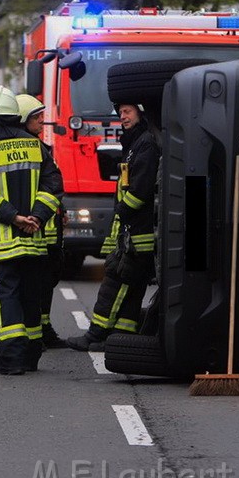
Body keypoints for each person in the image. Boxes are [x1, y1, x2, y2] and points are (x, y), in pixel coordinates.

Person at [0, 86, 64, 375]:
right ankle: (32, 356)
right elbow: (53, 185)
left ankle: (11, 360)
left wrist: (15, 218)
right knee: (31, 295)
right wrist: (36, 216)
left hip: (2, 241)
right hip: (34, 239)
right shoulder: (36, 146)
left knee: (7, 295)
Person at [68, 103, 159, 352]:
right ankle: (121, 337)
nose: (123, 116)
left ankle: (96, 334)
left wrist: (122, 211)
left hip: (136, 232)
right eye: (121, 112)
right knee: (131, 289)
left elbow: (138, 192)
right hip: (133, 230)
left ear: (141, 112)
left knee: (116, 283)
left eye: (128, 111)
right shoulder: (137, 143)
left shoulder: (146, 144)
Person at [16, 93, 66, 349]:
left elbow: (51, 184)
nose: (41, 121)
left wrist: (62, 210)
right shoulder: (29, 150)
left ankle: (43, 328)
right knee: (35, 285)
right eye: (36, 117)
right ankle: (35, 332)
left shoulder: (41, 148)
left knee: (47, 284)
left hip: (48, 229)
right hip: (37, 232)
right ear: (23, 120)